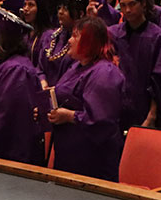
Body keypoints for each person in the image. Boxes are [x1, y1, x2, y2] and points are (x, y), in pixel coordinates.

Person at [47, 17, 125, 181]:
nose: (69, 40)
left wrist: (69, 116)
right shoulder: (76, 66)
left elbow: (101, 120)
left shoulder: (105, 73)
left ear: (88, 42)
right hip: (69, 155)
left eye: (75, 36)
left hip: (92, 161)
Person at [0, 10, 48, 164]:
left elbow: (6, 114)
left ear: (6, 40)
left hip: (8, 155)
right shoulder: (2, 66)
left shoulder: (16, 70)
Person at [108, 0, 161, 129]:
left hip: (145, 110)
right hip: (115, 109)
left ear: (143, 4)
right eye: (123, 5)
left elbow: (160, 80)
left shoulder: (159, 37)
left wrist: (152, 115)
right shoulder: (112, 34)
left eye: (132, 4)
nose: (127, 10)